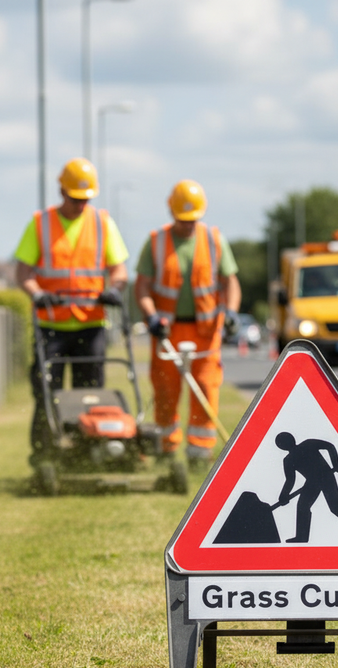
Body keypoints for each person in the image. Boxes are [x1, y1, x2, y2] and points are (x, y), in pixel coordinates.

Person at [15, 157, 129, 464]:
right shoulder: (40, 224)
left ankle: (85, 453)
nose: (80, 204)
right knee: (45, 392)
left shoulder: (102, 223)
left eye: (85, 199)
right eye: (75, 198)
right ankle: (44, 454)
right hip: (51, 327)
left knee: (89, 392)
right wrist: (38, 294)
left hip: (90, 325)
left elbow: (119, 271)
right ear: (61, 191)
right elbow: (23, 273)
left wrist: (113, 290)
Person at [134, 179, 241, 469]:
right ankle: (167, 449)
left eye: (193, 219)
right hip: (166, 329)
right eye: (183, 219)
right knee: (166, 389)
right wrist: (151, 314)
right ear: (172, 213)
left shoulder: (214, 240)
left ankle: (199, 452)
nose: (188, 225)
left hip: (206, 331)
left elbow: (230, 282)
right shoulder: (156, 241)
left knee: (205, 387)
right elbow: (142, 286)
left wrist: (230, 313)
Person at [275, 431, 338, 543]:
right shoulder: (289, 459)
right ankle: (302, 537)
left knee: (335, 506)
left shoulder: (307, 445)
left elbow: (329, 446)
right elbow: (290, 480)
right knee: (302, 507)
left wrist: (336, 464)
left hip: (326, 476)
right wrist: (283, 495)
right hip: (312, 482)